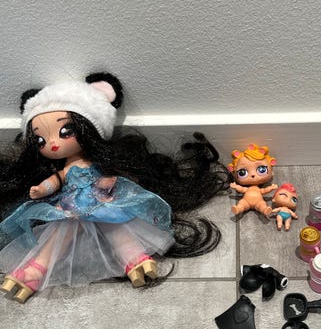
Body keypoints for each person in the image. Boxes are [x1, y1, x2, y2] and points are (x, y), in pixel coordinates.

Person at [0, 72, 230, 302]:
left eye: (65, 132)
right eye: (40, 140)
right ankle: (35, 270)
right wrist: (41, 190)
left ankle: (134, 258)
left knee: (115, 223)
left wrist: (108, 181)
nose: (52, 143)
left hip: (102, 201)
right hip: (70, 209)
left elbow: (107, 175)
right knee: (63, 232)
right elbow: (54, 181)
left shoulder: (96, 163)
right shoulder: (64, 171)